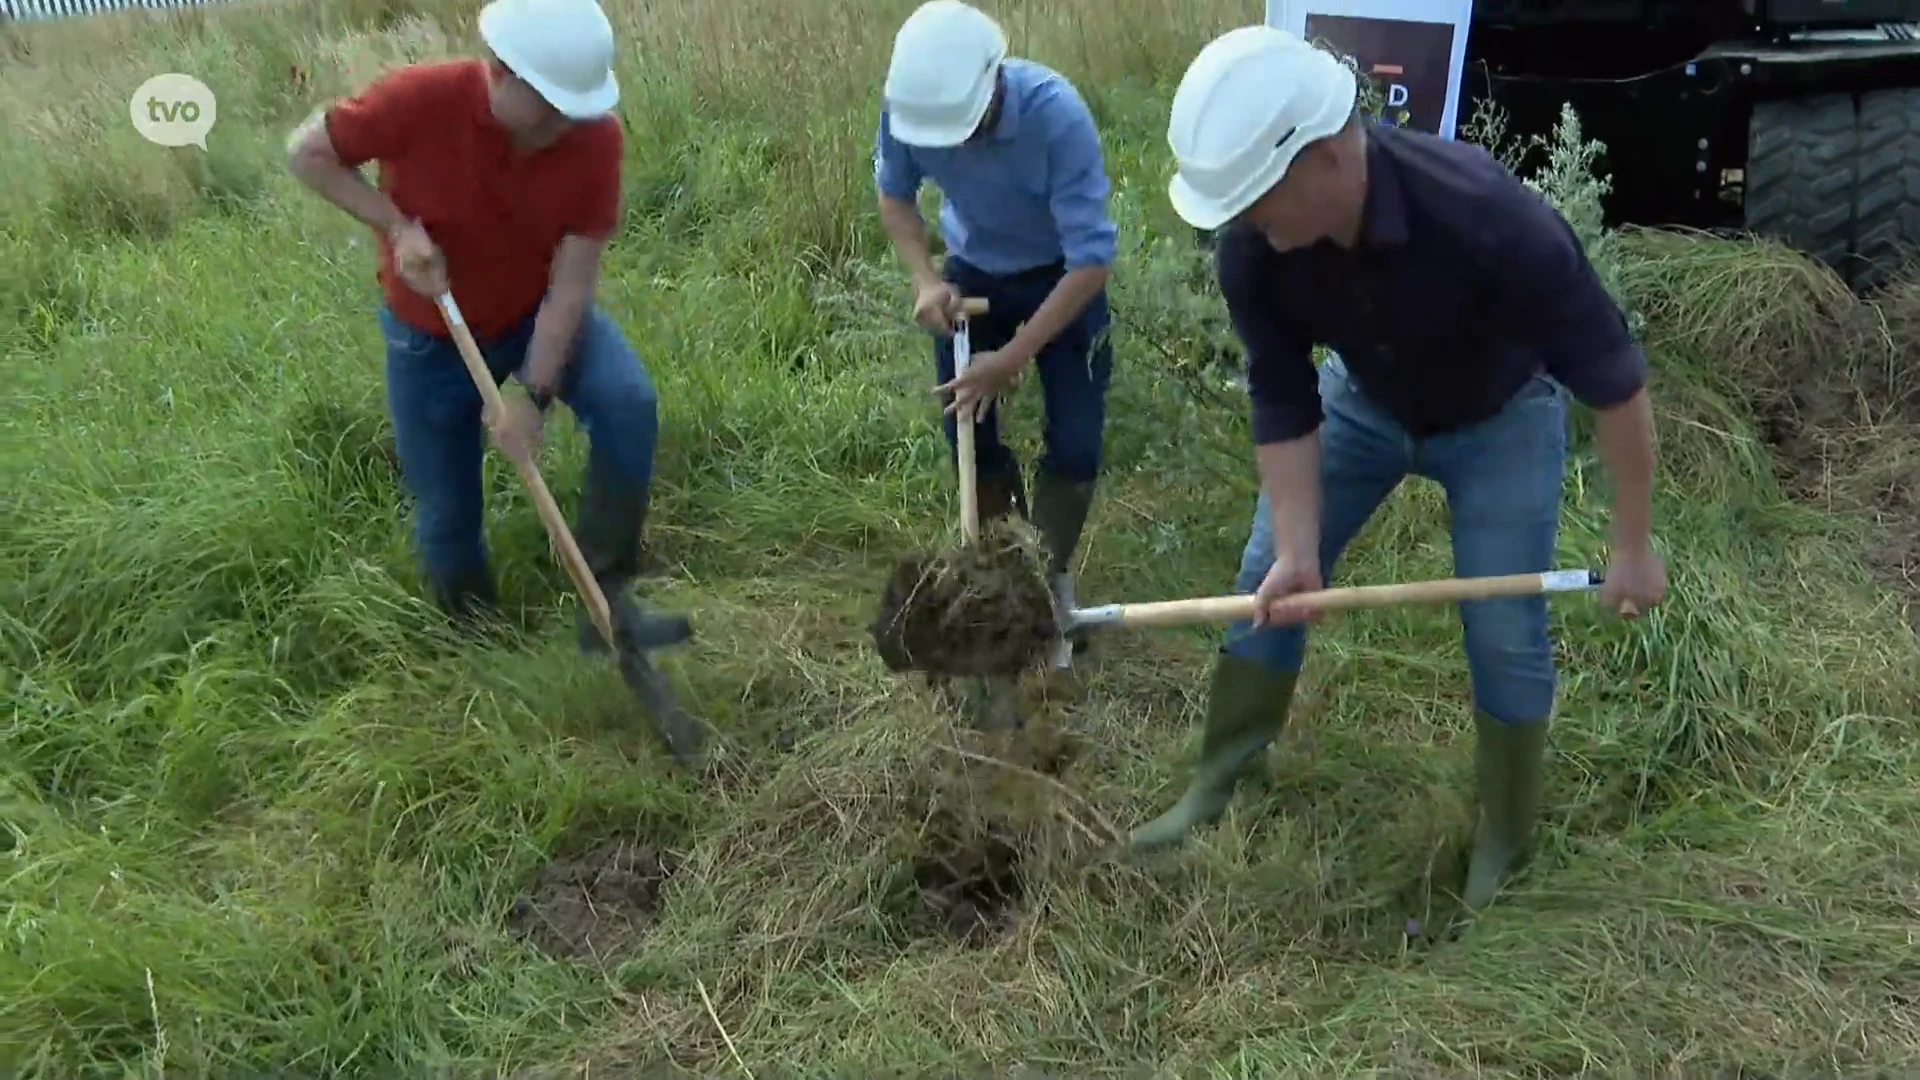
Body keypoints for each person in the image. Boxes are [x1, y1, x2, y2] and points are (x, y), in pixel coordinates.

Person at [1131, 25, 1668, 912]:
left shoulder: (1486, 215)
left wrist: (1635, 545)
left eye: (1258, 198)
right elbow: (1281, 392)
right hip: (1362, 406)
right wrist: (1299, 548)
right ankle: (1221, 777)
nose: (1246, 223)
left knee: (1503, 630)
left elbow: (1615, 382)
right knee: (1264, 582)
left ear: (1327, 158)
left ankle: (1505, 839)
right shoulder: (1256, 246)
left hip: (1502, 416)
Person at [285, 0, 692, 661]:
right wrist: (395, 224)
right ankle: (479, 645)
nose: (565, 125)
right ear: (500, 73)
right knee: (446, 516)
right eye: (549, 108)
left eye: (574, 109)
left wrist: (533, 395)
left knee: (628, 405)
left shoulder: (594, 136)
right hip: (431, 337)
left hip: (535, 309)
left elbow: (572, 283)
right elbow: (308, 154)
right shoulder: (419, 99)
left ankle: (608, 599)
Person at [873, 0, 1120, 675]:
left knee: (1075, 439)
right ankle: (999, 580)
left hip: (1060, 279)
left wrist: (1012, 358)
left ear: (992, 86)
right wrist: (926, 279)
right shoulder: (910, 108)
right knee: (968, 430)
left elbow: (1091, 260)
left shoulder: (1054, 116)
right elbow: (895, 195)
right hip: (974, 271)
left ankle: (1051, 575)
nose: (949, 146)